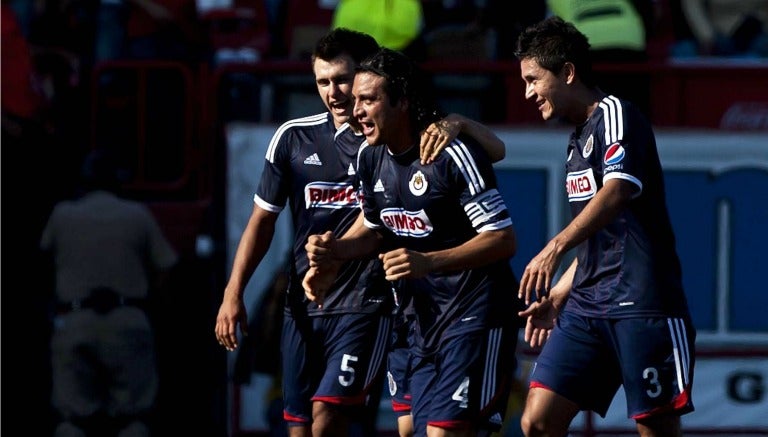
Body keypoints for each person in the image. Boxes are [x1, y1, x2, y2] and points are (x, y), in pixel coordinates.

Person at [214, 28, 507, 437]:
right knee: (319, 427)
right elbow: (352, 224)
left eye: (346, 82)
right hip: (327, 299)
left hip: (381, 301)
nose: (337, 94)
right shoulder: (309, 141)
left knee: (335, 418)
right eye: (322, 82)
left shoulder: (417, 140)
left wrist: (458, 122)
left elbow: (494, 156)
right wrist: (240, 290)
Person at [302, 47, 524, 437]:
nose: (356, 111)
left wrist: (429, 262)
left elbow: (503, 239)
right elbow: (374, 229)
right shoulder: (370, 159)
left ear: (403, 101)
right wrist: (332, 253)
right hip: (418, 321)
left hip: (473, 317)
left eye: (368, 100)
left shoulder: (450, 153)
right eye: (355, 101)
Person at [513, 16, 696, 437]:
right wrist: (559, 293)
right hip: (587, 306)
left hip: (642, 302)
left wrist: (554, 247)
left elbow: (618, 190)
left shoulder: (616, 113)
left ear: (568, 72)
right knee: (537, 420)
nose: (527, 92)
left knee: (657, 429)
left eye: (533, 79)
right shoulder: (577, 139)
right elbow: (602, 231)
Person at [40, 148, 179, 437]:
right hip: (127, 319)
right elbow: (167, 266)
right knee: (133, 419)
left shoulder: (62, 214)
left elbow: (42, 261)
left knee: (72, 420)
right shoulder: (137, 215)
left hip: (74, 320)